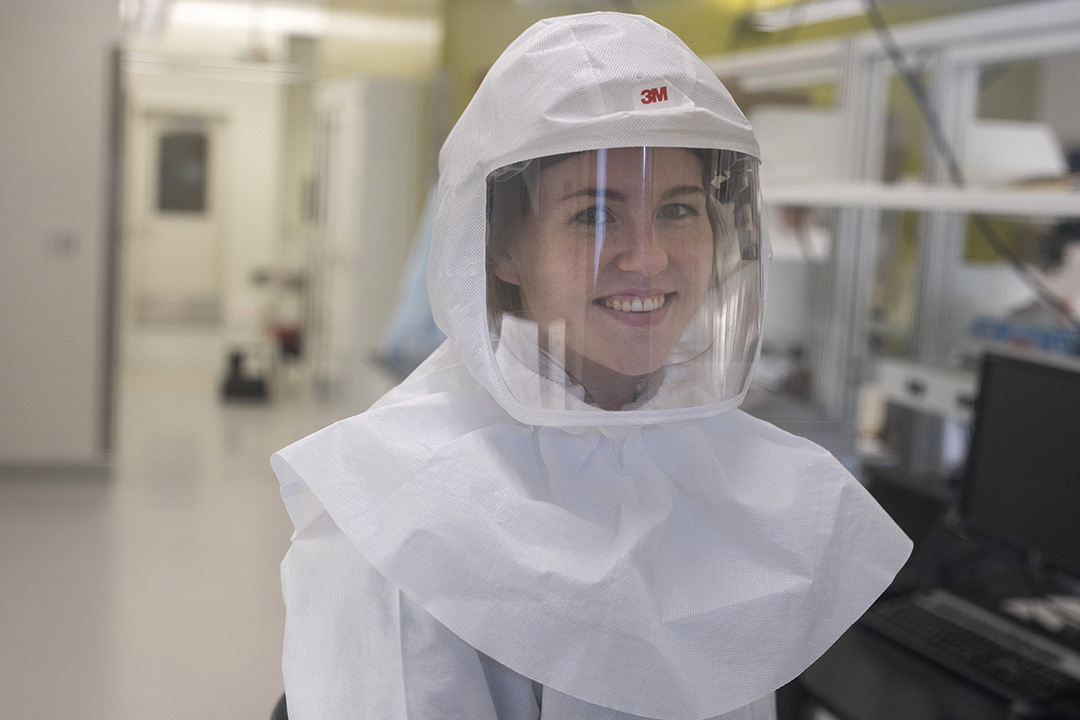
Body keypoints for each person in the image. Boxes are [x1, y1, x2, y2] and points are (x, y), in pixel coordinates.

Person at [272, 12, 911, 720]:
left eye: (678, 209)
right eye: (592, 215)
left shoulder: (748, 474)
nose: (648, 257)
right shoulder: (400, 510)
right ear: (502, 249)